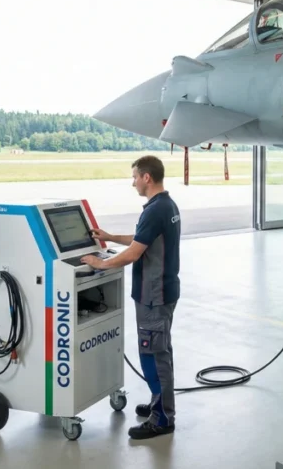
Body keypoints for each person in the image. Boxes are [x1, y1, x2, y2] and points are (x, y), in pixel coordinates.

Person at [81, 155, 181, 440]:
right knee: (160, 350)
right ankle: (157, 403)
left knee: (154, 354)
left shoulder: (154, 210)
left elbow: (136, 253)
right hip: (164, 290)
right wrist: (110, 237)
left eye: (135, 176)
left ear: (147, 177)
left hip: (154, 295)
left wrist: (100, 264)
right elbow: (142, 239)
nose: (133, 182)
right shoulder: (166, 205)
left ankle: (162, 418)